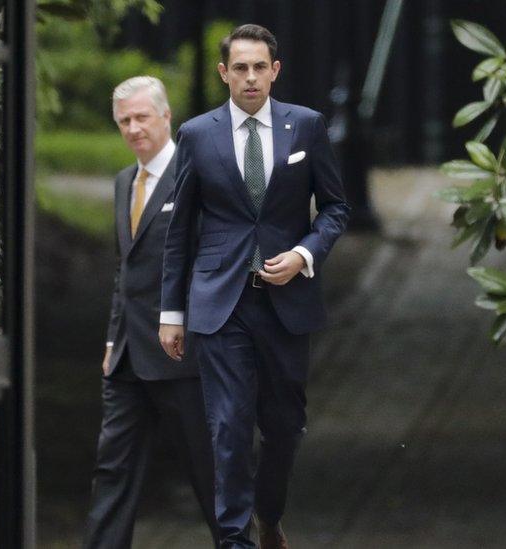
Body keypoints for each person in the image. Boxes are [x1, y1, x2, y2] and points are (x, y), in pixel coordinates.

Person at [159, 24, 350, 549]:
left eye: (259, 67)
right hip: (221, 302)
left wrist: (305, 253)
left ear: (275, 71)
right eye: (239, 68)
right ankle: (233, 539)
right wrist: (170, 312)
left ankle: (269, 514)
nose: (249, 77)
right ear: (224, 73)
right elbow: (180, 230)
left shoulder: (306, 127)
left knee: (284, 426)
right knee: (229, 425)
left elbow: (335, 207)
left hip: (287, 302)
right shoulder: (198, 134)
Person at [83, 76, 218, 549]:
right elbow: (127, 270)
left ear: (166, 117)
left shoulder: (198, 176)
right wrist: (109, 339)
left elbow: (214, 266)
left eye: (143, 117)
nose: (134, 128)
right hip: (126, 358)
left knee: (210, 471)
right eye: (125, 121)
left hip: (184, 356)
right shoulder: (125, 182)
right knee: (112, 469)